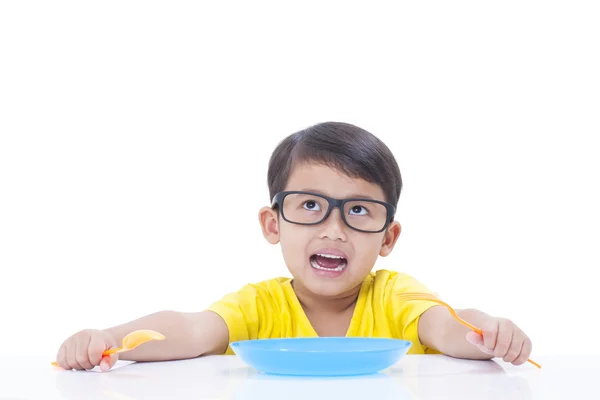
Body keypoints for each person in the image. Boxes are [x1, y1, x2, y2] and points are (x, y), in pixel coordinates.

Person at [55, 122, 533, 372]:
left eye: (360, 211)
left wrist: (487, 332)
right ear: (272, 223)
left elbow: (448, 328)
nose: (333, 229)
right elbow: (188, 329)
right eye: (309, 206)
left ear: (388, 238)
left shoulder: (396, 296)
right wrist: (109, 339)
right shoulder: (258, 305)